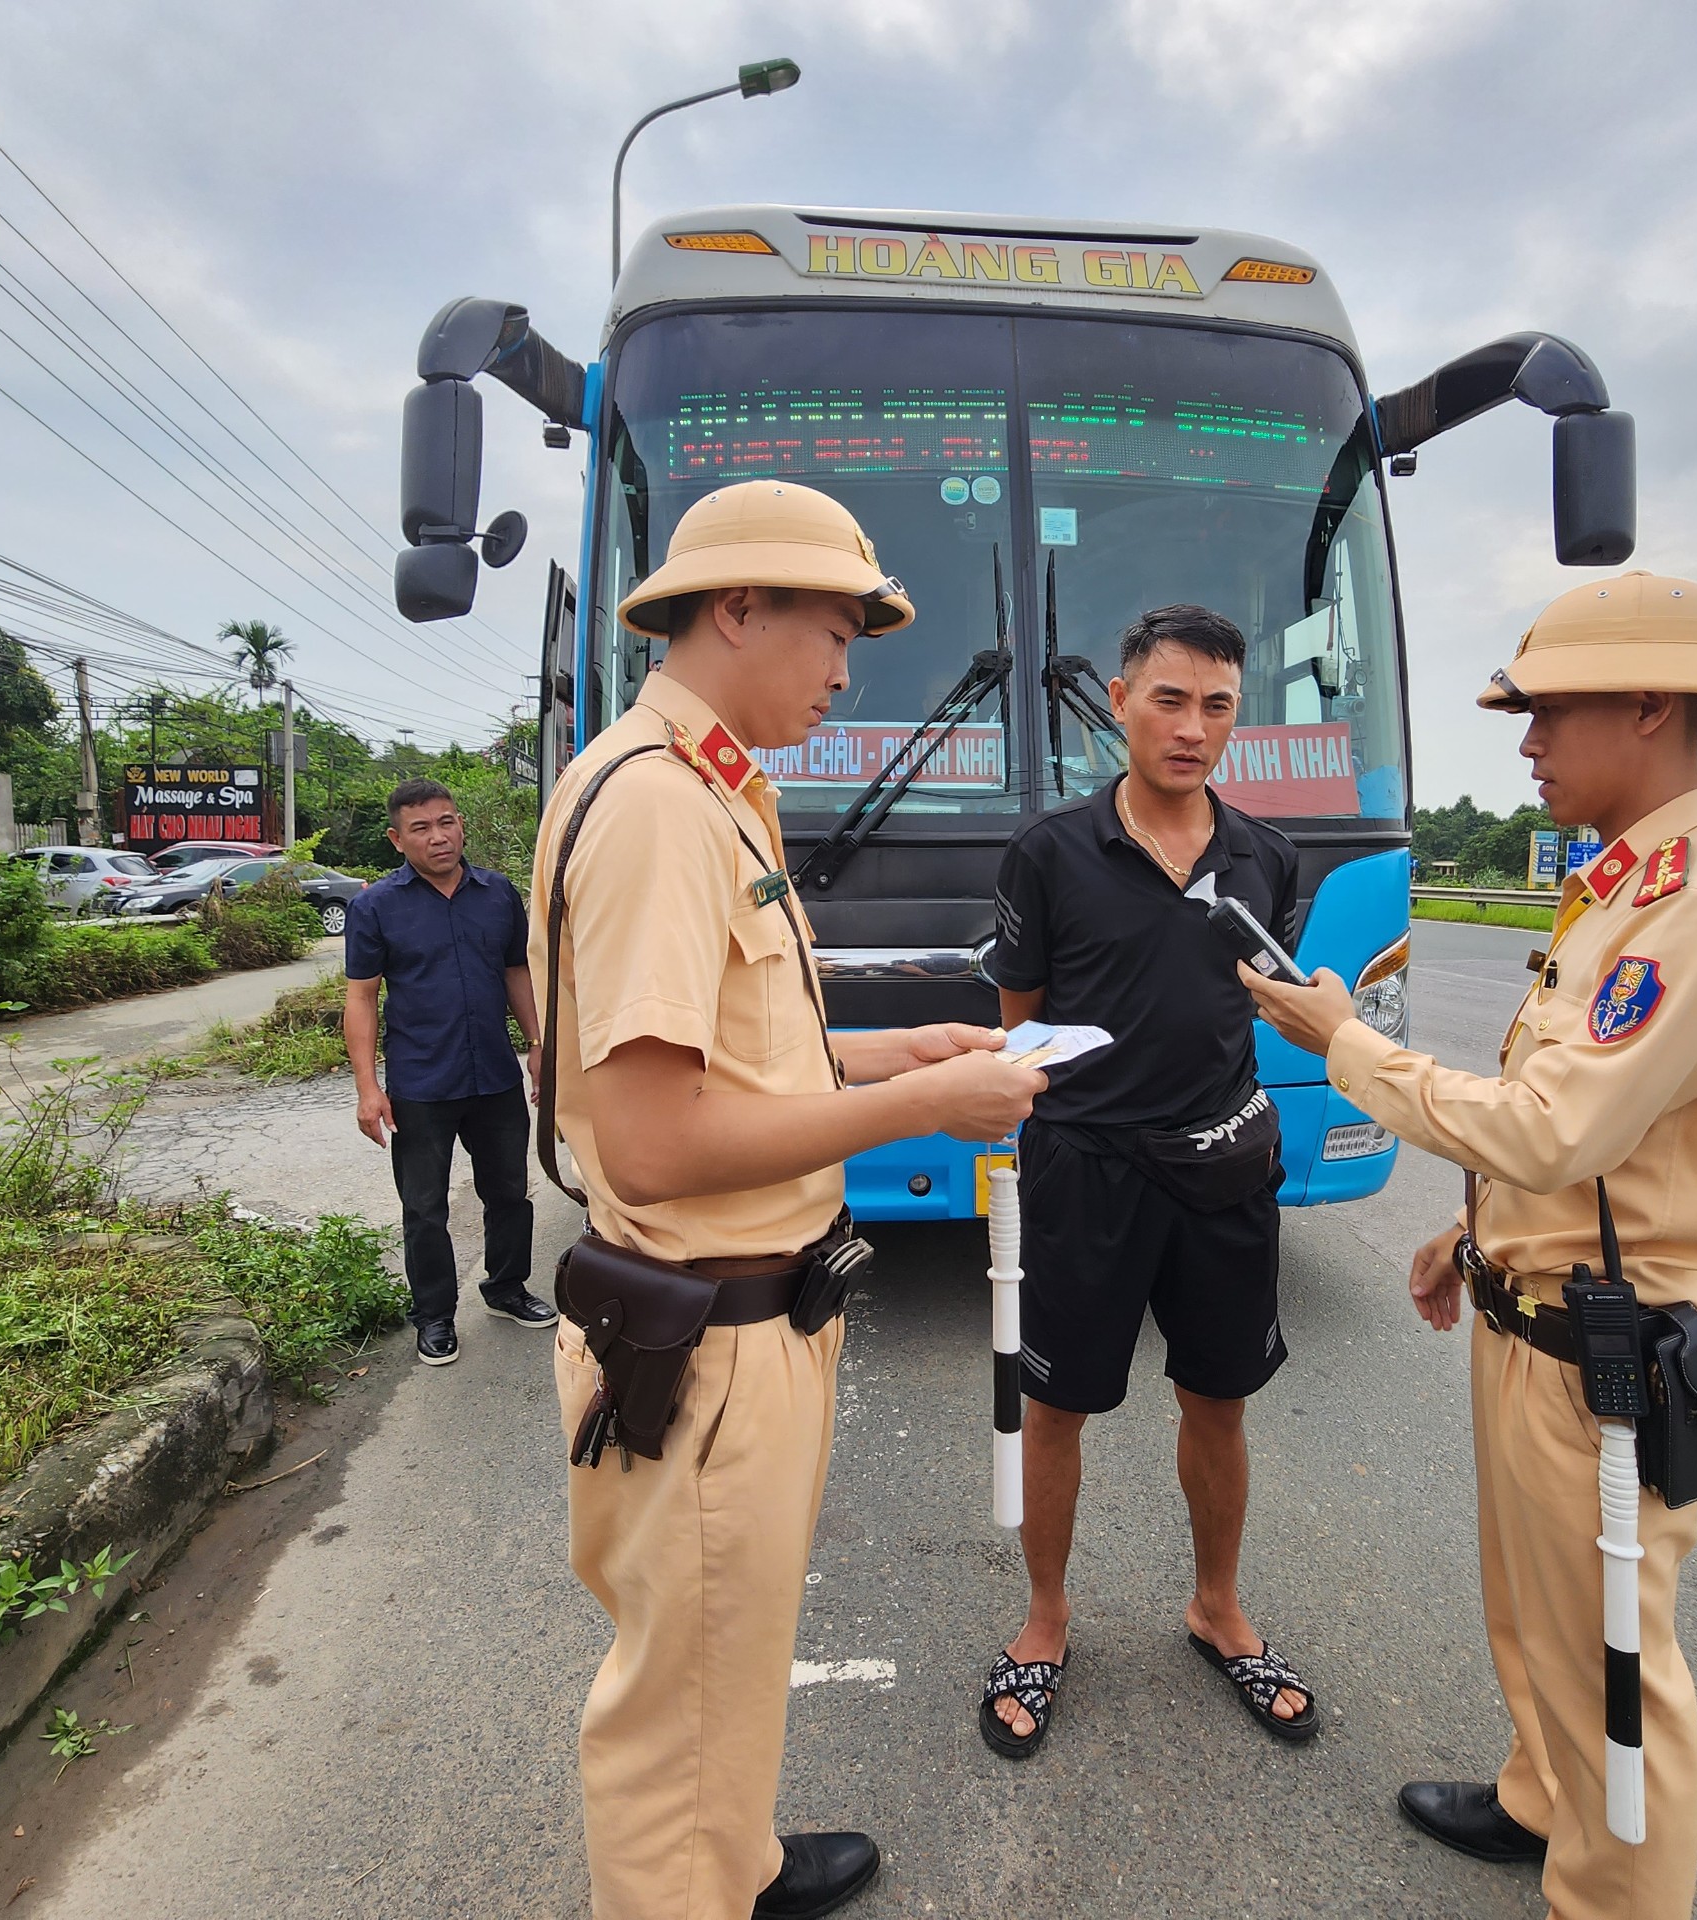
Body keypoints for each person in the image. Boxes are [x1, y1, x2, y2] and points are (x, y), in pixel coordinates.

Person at [1242, 572, 1697, 1920]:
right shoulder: (1627, 886)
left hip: (1602, 1357)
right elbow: (1604, 1149)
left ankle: (1611, 1892)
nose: (1528, 741)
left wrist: (1346, 1044)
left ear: (1654, 705)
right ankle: (1540, 1801)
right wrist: (1464, 1231)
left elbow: (1554, 1128)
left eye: (1548, 712)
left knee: (1615, 1665)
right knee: (1538, 1620)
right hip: (1538, 1314)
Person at [533, 479, 1046, 1920]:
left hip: (748, 1322)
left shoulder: (709, 792)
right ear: (737, 606)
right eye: (833, 630)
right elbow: (652, 1143)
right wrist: (926, 1109)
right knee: (675, 1700)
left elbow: (738, 1047)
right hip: (706, 1337)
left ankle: (735, 1865)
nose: (844, 669)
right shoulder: (658, 811)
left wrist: (902, 1050)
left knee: (726, 1657)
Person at [976, 603, 1314, 1761]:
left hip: (1221, 1170)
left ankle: (1216, 1606)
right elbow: (1018, 1028)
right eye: (1168, 699)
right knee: (1055, 1407)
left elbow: (1266, 1004)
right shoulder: (1051, 851)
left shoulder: (1268, 857)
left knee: (1217, 1400)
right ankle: (1044, 1618)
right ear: (1118, 702)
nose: (1192, 726)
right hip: (1085, 1177)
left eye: (1217, 704)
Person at [344, 778, 555, 1362]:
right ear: (397, 839)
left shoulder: (496, 894)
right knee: (424, 1208)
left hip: (492, 1073)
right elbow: (361, 997)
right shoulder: (375, 907)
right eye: (421, 828)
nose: (439, 837)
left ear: (461, 824)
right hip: (421, 1083)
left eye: (447, 822)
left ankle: (506, 1287)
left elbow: (517, 971)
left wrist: (538, 1044)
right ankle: (434, 1315)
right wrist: (368, 1088)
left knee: (511, 1191)